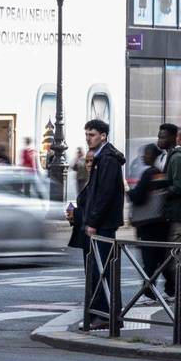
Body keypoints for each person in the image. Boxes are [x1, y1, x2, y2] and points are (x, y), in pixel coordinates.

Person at [72, 120, 125, 323]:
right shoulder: (102, 157)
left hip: (102, 225)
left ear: (103, 135)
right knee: (97, 270)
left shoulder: (107, 159)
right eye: (86, 134)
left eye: (92, 134)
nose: (88, 138)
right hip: (99, 223)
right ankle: (100, 313)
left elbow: (104, 194)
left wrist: (92, 221)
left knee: (103, 271)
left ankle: (107, 315)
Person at [127, 143, 171, 296]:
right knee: (160, 256)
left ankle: (149, 288)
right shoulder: (159, 172)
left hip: (148, 223)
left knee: (150, 257)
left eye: (146, 154)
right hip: (160, 221)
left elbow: (138, 197)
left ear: (152, 156)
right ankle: (168, 286)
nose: (143, 157)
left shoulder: (148, 174)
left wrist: (127, 191)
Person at [157, 124, 181, 296]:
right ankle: (176, 289)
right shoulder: (173, 156)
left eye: (163, 137)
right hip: (174, 214)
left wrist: (160, 192)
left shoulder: (178, 158)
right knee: (173, 255)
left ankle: (180, 291)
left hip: (177, 215)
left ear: (177, 139)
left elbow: (180, 186)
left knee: (176, 256)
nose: (159, 140)